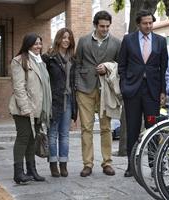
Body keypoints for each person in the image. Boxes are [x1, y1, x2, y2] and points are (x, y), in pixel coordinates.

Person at [118, 10, 168, 177]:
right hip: (132, 91)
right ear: (138, 24)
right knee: (132, 129)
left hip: (152, 92)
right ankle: (131, 166)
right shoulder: (128, 40)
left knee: (152, 128)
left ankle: (154, 166)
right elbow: (122, 65)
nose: (148, 26)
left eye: (150, 23)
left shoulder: (160, 41)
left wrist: (162, 91)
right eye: (145, 23)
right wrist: (124, 86)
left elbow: (163, 68)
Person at [75, 10, 121, 177]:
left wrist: (108, 66)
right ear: (95, 25)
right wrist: (77, 86)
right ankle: (87, 164)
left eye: (107, 26)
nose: (105, 29)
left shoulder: (116, 42)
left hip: (106, 90)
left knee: (106, 128)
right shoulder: (83, 41)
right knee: (86, 128)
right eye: (102, 26)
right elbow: (77, 63)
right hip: (85, 89)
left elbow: (120, 65)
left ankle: (107, 163)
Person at [8, 33, 51, 184]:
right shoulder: (19, 61)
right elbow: (19, 87)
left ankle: (31, 171)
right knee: (23, 138)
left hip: (38, 109)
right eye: (35, 44)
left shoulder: (41, 62)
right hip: (23, 109)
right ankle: (18, 173)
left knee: (33, 140)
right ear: (28, 45)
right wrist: (25, 107)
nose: (38, 46)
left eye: (40, 43)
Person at [42, 28, 77, 177]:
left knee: (64, 134)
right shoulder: (49, 58)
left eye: (68, 38)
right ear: (58, 39)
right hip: (54, 100)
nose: (66, 40)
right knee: (52, 134)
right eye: (63, 37)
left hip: (68, 100)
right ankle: (53, 165)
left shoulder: (73, 59)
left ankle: (63, 164)